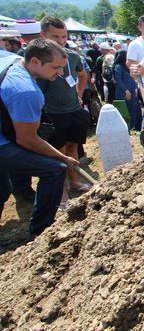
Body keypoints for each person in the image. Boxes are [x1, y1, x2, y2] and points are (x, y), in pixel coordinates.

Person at [0, 38, 77, 235]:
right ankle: (41, 230)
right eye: (55, 67)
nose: (60, 73)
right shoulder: (27, 91)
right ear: (34, 62)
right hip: (4, 143)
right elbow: (26, 139)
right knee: (55, 169)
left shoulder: (9, 59)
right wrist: (62, 157)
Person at [37, 16, 91, 204]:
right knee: (56, 155)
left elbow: (83, 75)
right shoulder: (36, 60)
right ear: (43, 35)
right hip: (52, 114)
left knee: (72, 149)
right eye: (55, 37)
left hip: (73, 111)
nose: (61, 41)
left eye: (64, 36)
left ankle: (74, 182)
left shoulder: (73, 56)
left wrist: (79, 92)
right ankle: (61, 193)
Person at [113, 50, 141, 131]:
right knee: (126, 110)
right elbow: (118, 80)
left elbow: (133, 78)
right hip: (123, 92)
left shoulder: (128, 66)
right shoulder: (118, 67)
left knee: (134, 109)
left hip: (132, 91)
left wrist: (136, 87)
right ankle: (127, 127)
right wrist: (126, 91)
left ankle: (135, 126)